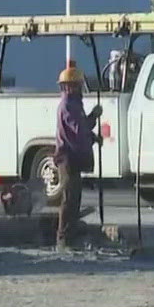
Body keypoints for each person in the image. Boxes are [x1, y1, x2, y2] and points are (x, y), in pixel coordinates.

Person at [54, 62, 102, 249]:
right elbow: (79, 128)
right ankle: (64, 238)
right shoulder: (68, 105)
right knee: (69, 199)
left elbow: (81, 130)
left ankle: (70, 234)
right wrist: (94, 117)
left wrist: (93, 137)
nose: (80, 88)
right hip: (67, 157)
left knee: (74, 199)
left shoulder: (74, 104)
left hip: (73, 157)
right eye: (77, 85)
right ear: (68, 86)